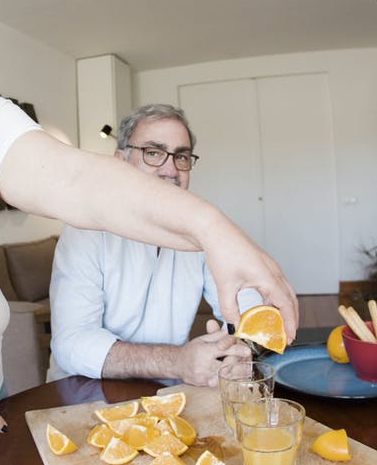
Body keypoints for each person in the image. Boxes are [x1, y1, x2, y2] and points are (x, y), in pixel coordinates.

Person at [0, 0, 298, 461]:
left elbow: (75, 181)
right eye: (152, 154)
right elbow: (73, 344)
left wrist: (215, 232)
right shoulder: (87, 241)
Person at [49, 104, 264, 386]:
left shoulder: (201, 230)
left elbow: (246, 303)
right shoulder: (85, 230)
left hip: (170, 392)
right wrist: (178, 361)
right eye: (153, 153)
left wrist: (241, 348)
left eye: (182, 156)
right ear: (120, 161)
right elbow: (73, 343)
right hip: (85, 392)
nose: (170, 170)